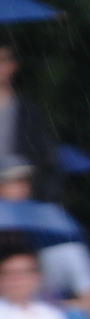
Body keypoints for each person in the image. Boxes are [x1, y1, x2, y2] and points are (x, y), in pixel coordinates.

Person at [0, 156, 90, 316]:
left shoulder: (63, 241)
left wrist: (41, 307)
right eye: (8, 182)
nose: (19, 188)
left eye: (22, 181)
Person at [0, 37, 63, 203]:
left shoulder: (31, 116)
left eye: (2, 60)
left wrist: (28, 188)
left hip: (17, 212)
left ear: (13, 65)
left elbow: (49, 167)